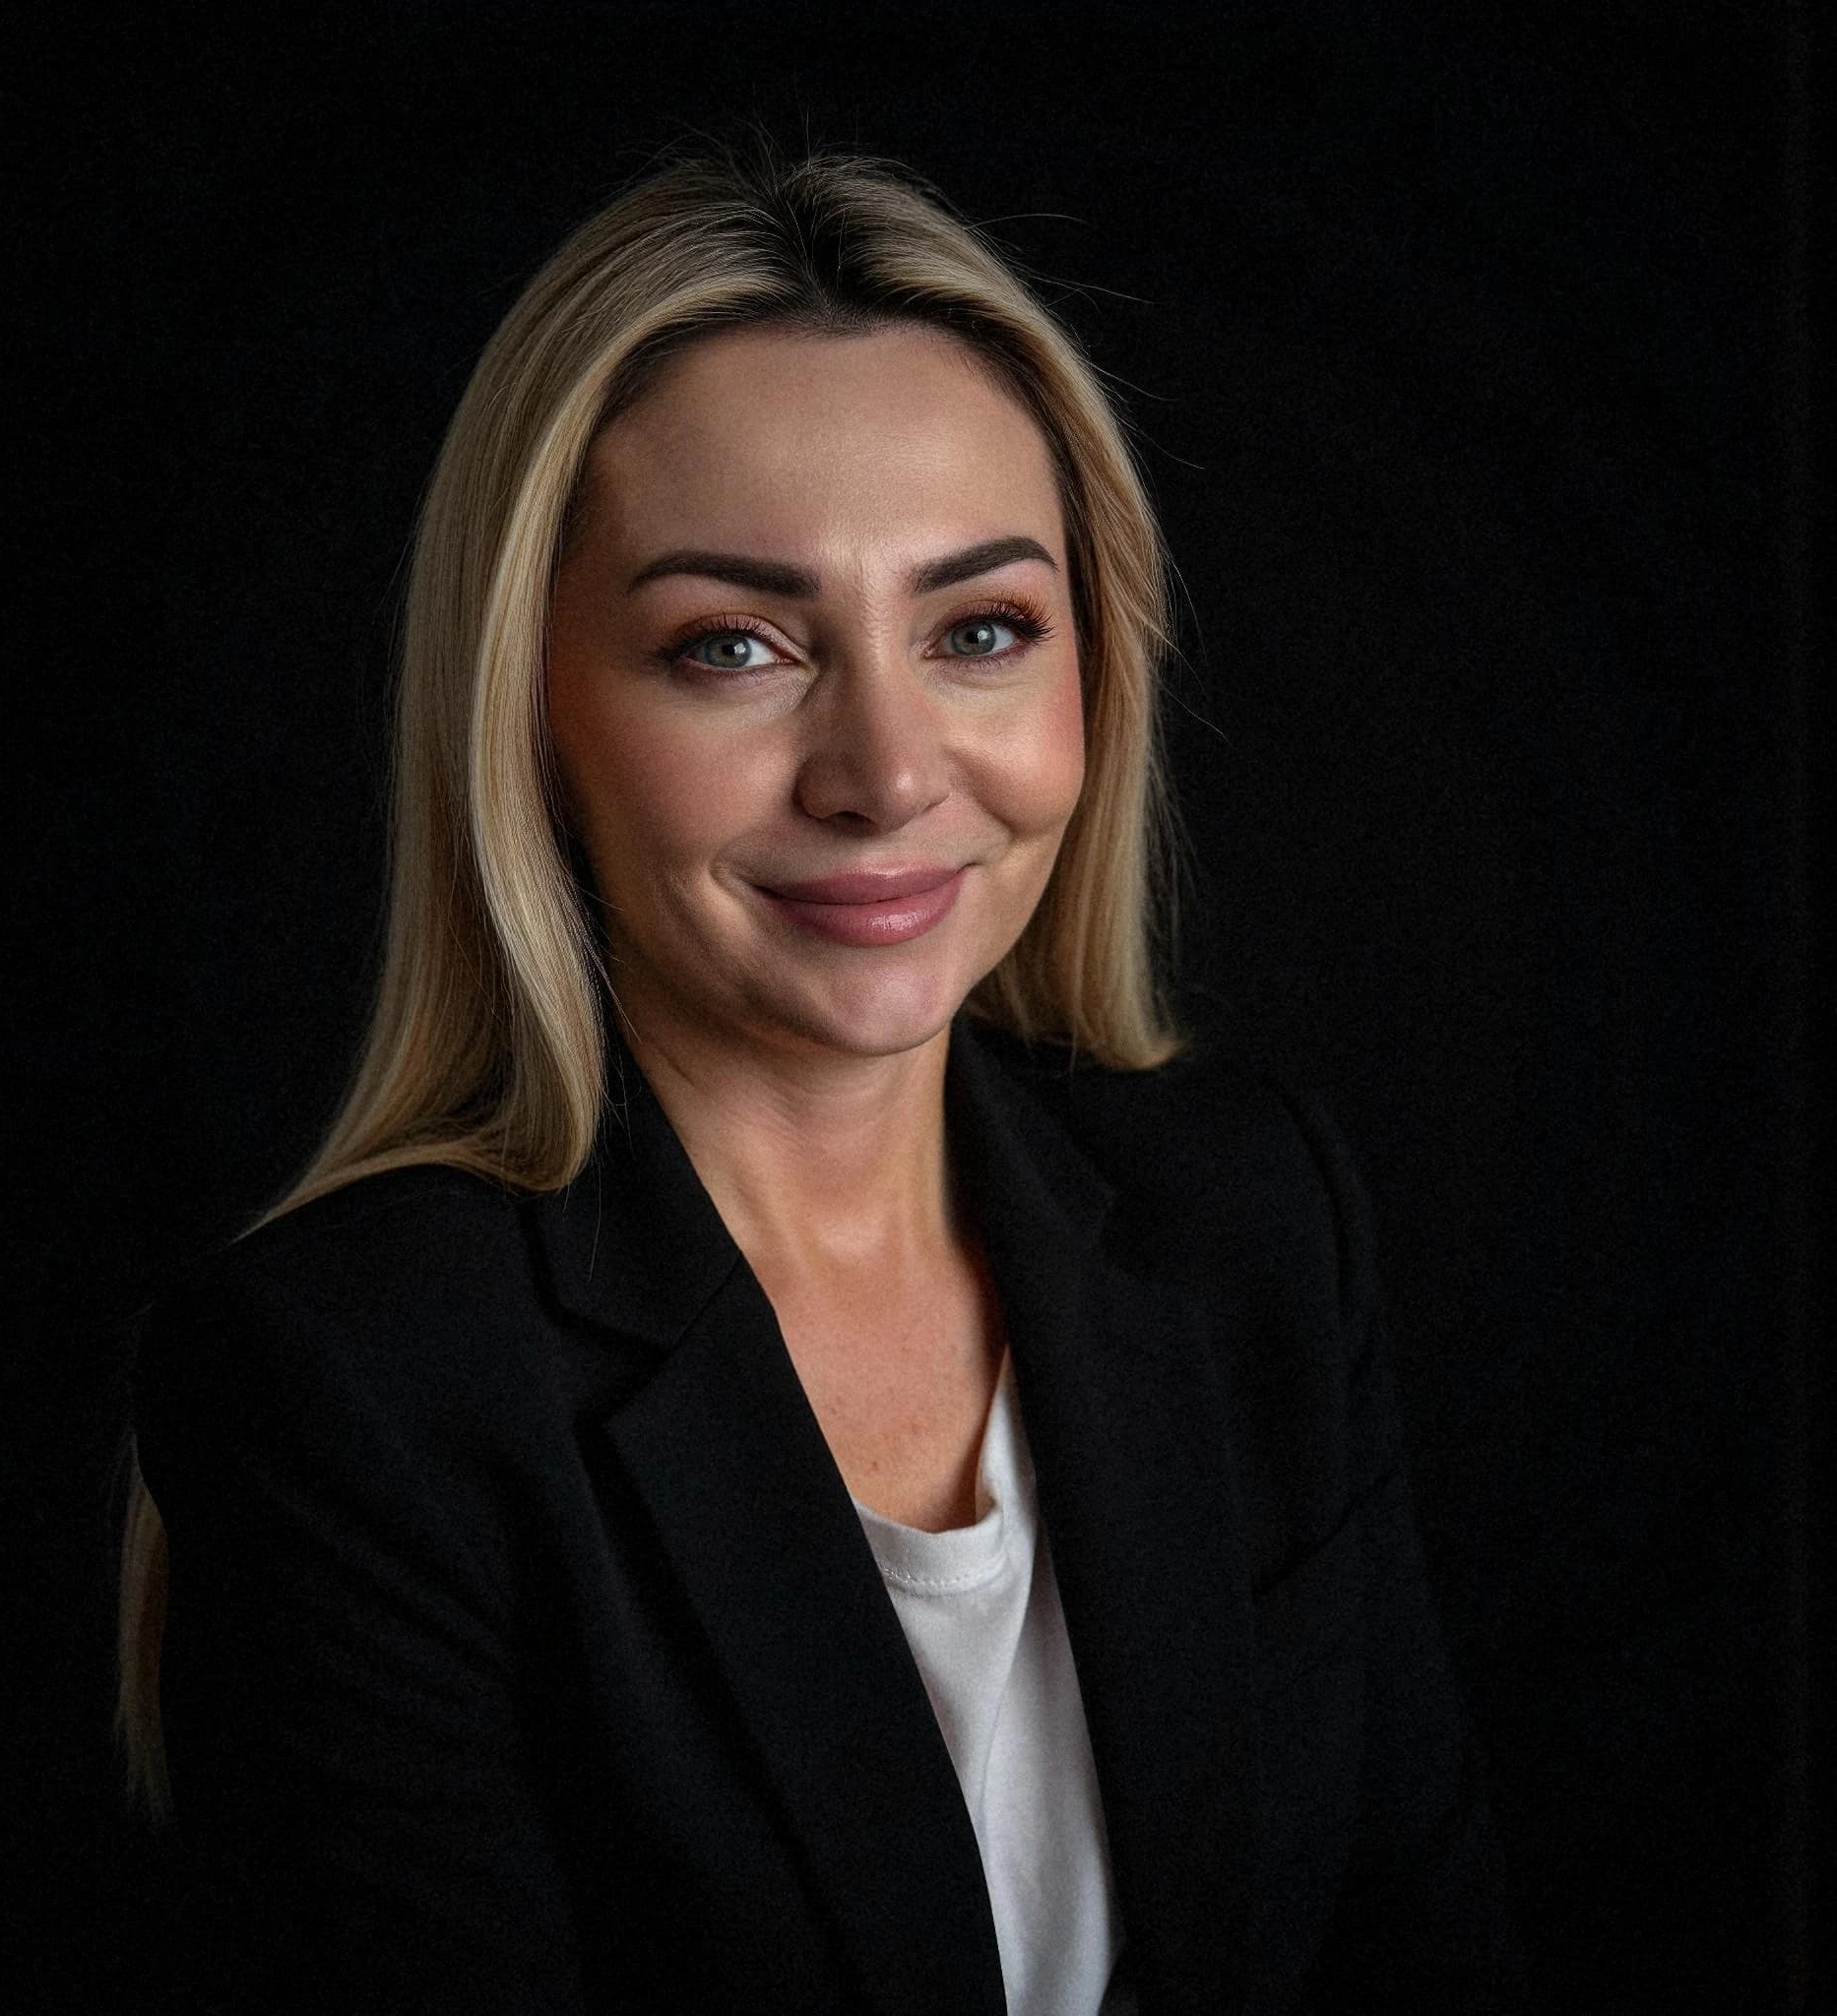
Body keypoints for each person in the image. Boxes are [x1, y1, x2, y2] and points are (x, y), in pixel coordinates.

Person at [117, 143, 1520, 2014]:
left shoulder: (1249, 1221)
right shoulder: (360, 1383)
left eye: (980, 630)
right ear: (534, 719)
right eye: (738, 647)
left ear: (1095, 675)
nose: (884, 769)